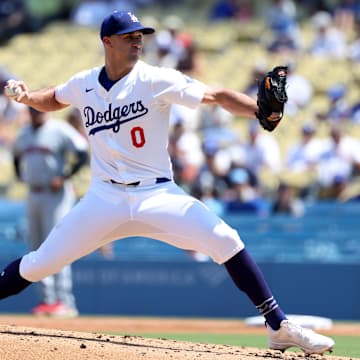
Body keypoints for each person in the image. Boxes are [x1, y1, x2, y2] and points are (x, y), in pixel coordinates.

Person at [2, 10, 334, 354]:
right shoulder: (84, 82)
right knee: (39, 264)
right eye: (130, 36)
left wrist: (257, 110)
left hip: (156, 193)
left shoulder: (154, 78)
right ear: (107, 41)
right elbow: (55, 97)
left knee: (226, 239)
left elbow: (215, 95)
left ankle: (278, 325)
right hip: (104, 197)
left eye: (140, 36)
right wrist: (27, 97)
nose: (137, 42)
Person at [12, 107, 89, 316]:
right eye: (33, 110)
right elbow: (16, 155)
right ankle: (47, 300)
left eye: (40, 110)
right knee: (36, 248)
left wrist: (64, 177)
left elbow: (82, 154)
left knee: (56, 245)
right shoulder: (24, 132)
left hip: (56, 195)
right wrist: (19, 174)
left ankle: (64, 301)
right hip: (34, 193)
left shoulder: (60, 129)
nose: (37, 113)